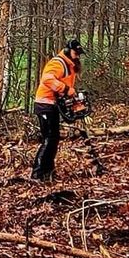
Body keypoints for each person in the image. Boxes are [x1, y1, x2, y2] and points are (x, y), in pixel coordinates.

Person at [31, 39, 86, 182]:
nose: (77, 56)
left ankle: (48, 172)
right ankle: (37, 173)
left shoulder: (69, 66)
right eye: (76, 53)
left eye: (79, 54)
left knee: (53, 139)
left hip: (53, 105)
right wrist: (66, 90)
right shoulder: (58, 63)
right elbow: (47, 79)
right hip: (45, 104)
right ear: (68, 51)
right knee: (49, 139)